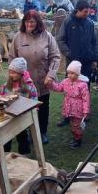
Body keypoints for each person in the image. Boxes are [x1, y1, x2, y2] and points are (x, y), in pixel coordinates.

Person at [10, 11, 61, 145]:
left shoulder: (47, 36)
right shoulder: (18, 37)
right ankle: (25, 133)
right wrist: (14, 77)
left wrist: (51, 75)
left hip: (42, 80)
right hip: (24, 83)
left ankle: (42, 132)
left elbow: (55, 57)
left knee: (43, 108)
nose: (29, 24)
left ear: (38, 22)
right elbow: (12, 58)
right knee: (24, 108)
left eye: (32, 21)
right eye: (27, 21)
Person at [0, 57, 38, 155]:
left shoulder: (29, 86)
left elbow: (34, 100)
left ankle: (24, 155)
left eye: (14, 72)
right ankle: (5, 154)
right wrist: (5, 96)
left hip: (22, 116)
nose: (11, 75)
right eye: (10, 72)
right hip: (8, 116)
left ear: (21, 73)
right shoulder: (6, 85)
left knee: (22, 136)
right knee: (6, 136)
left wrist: (31, 109)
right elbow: (1, 97)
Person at [47, 61, 91, 149]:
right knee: (72, 124)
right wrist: (51, 84)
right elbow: (59, 88)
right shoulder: (66, 81)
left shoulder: (83, 85)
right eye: (68, 73)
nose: (69, 75)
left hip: (78, 109)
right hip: (69, 107)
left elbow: (86, 99)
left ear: (77, 73)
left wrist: (86, 110)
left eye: (72, 73)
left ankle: (78, 140)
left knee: (77, 125)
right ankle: (75, 137)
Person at [56, 0, 97, 85]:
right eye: (85, 12)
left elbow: (94, 41)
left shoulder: (90, 23)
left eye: (88, 11)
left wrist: (93, 56)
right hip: (72, 61)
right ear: (78, 10)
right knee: (71, 86)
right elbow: (60, 39)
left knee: (85, 86)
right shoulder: (68, 21)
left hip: (86, 62)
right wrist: (68, 53)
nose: (87, 14)